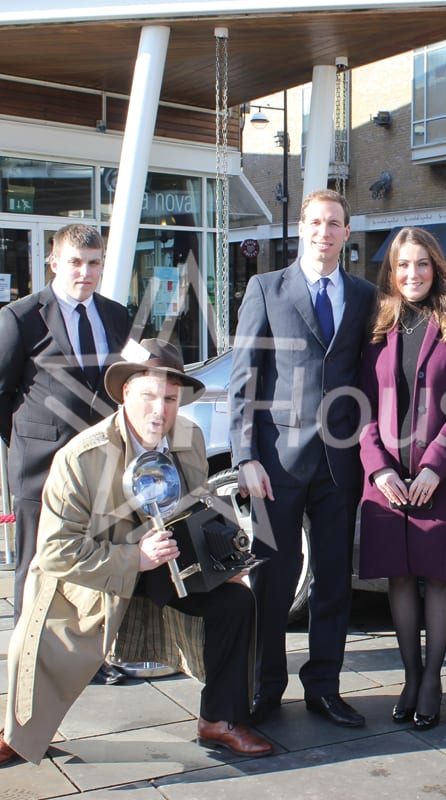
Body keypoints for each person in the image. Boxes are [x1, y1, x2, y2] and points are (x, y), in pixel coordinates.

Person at [0, 338, 273, 767]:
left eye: (170, 399)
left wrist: (225, 561)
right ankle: (18, 734)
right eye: (148, 396)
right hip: (92, 574)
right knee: (40, 646)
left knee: (237, 601)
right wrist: (134, 558)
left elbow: (198, 504)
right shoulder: (81, 456)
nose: (159, 410)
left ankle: (220, 720)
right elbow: (54, 551)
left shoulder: (189, 437)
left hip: (166, 560)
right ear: (125, 393)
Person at [229, 189, 375, 728]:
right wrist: (245, 455)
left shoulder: (364, 295)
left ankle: (324, 689)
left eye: (333, 223)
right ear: (301, 229)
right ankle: (266, 687)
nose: (323, 232)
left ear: (346, 232)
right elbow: (245, 376)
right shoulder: (267, 288)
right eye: (315, 222)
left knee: (333, 581)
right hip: (276, 463)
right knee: (273, 579)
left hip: (340, 465)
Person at [358, 227, 446, 730]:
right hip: (388, 476)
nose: (413, 273)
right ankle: (410, 677)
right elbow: (360, 405)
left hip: (443, 474)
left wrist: (434, 465)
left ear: (436, 268)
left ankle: (432, 680)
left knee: (440, 576)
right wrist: (378, 467)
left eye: (422, 264)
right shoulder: (375, 328)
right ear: (392, 272)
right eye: (403, 265)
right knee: (400, 575)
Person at [0, 223, 131, 684]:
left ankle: (91, 659)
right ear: (54, 262)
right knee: (37, 567)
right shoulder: (20, 318)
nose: (85, 272)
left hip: (100, 467)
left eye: (94, 263)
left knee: (95, 562)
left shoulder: (115, 315)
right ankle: (30, 667)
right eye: (75, 262)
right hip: (41, 467)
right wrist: (26, 443)